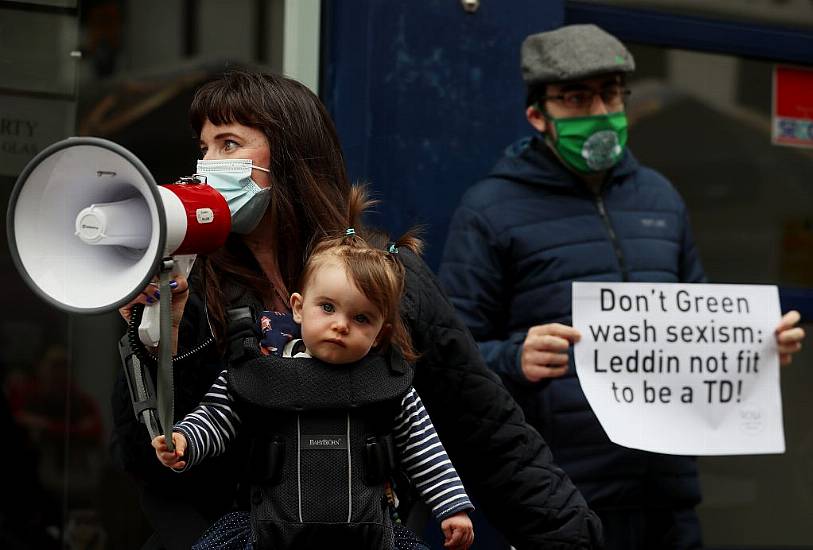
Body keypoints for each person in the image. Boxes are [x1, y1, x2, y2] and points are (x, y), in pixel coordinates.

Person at [110, 68, 603, 550]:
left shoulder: (387, 277)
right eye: (204, 149)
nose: (208, 165)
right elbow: (150, 459)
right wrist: (154, 343)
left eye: (229, 145)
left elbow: (488, 433)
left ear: (290, 154)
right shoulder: (189, 284)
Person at [438, 23, 807, 550]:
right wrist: (513, 357)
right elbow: (450, 356)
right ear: (538, 116)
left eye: (610, 94)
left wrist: (759, 348)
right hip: (560, 490)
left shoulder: (660, 197)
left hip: (667, 489)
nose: (599, 112)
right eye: (577, 98)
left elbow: (696, 322)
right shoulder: (490, 208)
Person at [151, 194, 475, 549]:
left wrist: (452, 508)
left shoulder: (387, 383)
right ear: (298, 307)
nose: (341, 325)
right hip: (267, 533)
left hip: (369, 536)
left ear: (382, 331)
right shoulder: (260, 367)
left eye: (361, 318)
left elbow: (425, 450)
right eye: (328, 307)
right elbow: (216, 417)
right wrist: (183, 441)